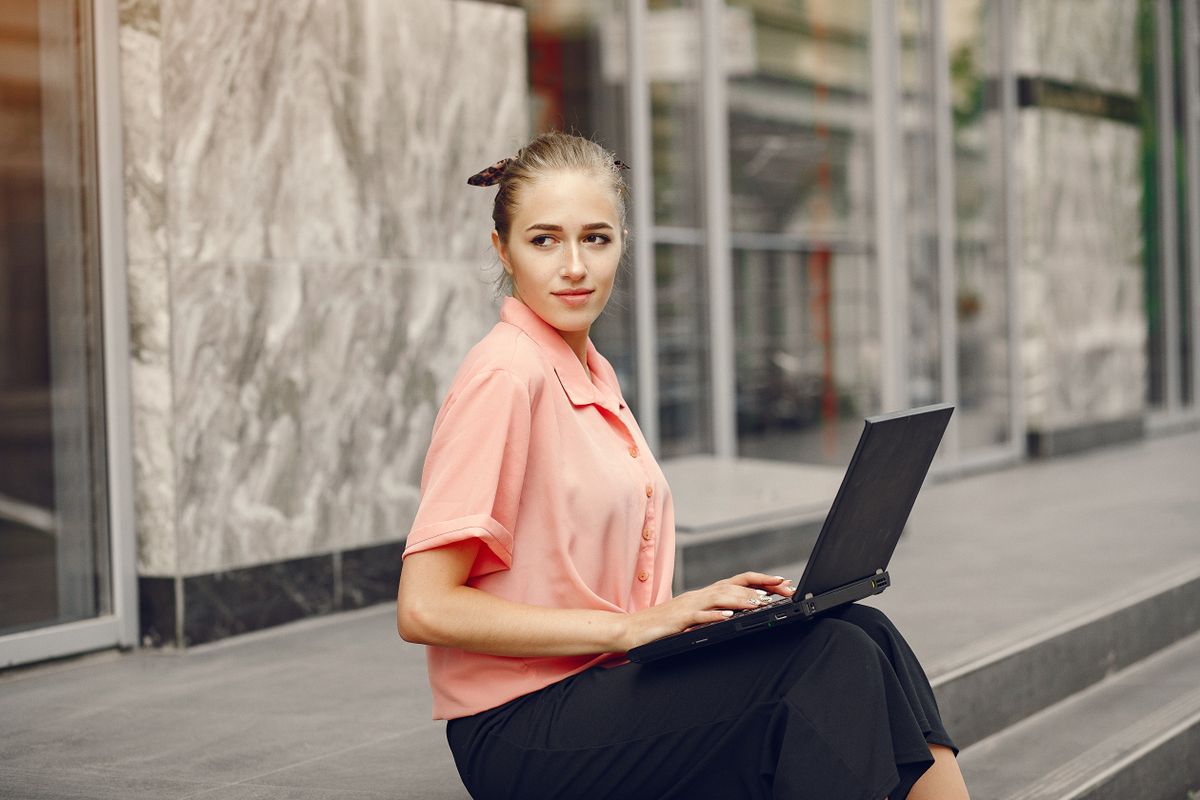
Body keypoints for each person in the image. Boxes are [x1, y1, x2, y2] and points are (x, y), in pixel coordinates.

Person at [396, 131, 969, 800]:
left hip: (608, 682)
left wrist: (699, 615)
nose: (574, 266)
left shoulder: (590, 373)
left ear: (623, 245)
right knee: (828, 664)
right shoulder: (504, 375)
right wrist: (631, 625)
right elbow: (425, 607)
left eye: (597, 239)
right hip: (523, 728)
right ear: (503, 249)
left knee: (862, 631)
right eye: (544, 240)